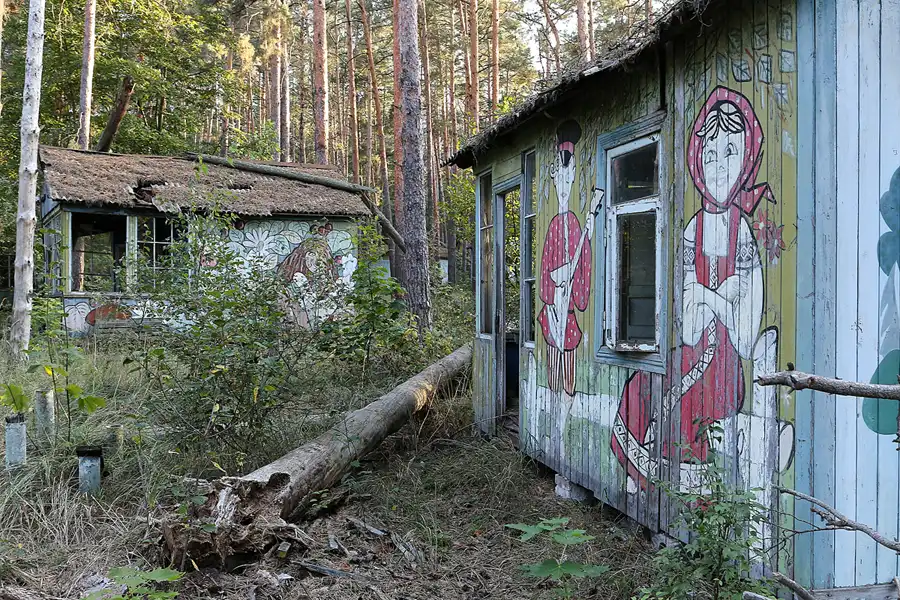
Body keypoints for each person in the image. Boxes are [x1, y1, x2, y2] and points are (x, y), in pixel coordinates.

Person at [612, 86, 771, 491]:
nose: (719, 167)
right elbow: (688, 327)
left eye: (731, 153)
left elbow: (747, 335)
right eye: (710, 155)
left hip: (726, 368)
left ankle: (690, 489)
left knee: (690, 401)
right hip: (692, 350)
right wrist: (722, 297)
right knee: (642, 382)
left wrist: (707, 297)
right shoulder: (692, 229)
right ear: (698, 162)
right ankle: (640, 474)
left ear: (746, 160)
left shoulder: (743, 235)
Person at [538, 119, 603, 396]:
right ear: (554, 177)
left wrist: (573, 279)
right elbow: (544, 269)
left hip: (569, 308)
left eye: (569, 174)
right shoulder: (553, 225)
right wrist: (554, 285)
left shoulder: (577, 223)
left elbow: (584, 259)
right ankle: (554, 394)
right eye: (560, 176)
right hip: (554, 307)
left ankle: (569, 394)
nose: (564, 182)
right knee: (553, 353)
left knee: (569, 356)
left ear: (574, 174)